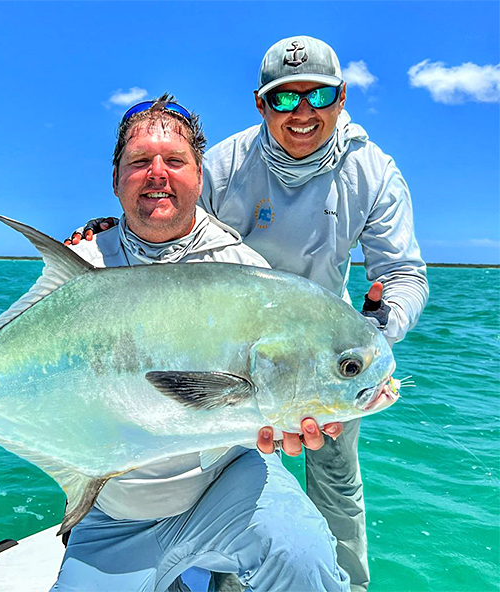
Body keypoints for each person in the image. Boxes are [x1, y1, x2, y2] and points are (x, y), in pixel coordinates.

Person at [0, 96, 351, 591]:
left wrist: (292, 415)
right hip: (114, 507)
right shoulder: (83, 261)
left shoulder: (245, 272)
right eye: (139, 162)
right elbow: (11, 357)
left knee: (304, 559)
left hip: (226, 488)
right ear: (115, 179)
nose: (157, 174)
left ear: (199, 175)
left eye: (174, 161)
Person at [69, 36, 428, 592]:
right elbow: (169, 220)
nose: (303, 112)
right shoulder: (224, 164)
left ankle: (344, 585)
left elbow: (403, 274)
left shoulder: (374, 172)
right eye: (285, 99)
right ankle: (218, 568)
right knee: (217, 444)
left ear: (342, 97)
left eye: (319, 96)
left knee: (333, 479)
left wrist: (377, 330)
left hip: (330, 353)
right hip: (226, 344)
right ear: (261, 104)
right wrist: (107, 234)